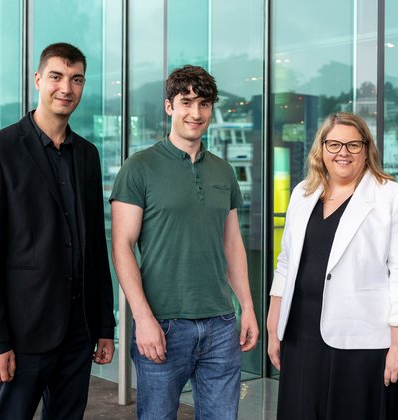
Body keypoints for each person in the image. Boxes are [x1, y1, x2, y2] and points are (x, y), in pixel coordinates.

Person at [0, 42, 115, 419]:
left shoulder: (87, 155)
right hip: (21, 335)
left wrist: (103, 325)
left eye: (76, 79)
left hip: (78, 333)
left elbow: (95, 246)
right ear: (38, 80)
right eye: (56, 77)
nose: (66, 88)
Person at [110, 64, 259, 419]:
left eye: (204, 104)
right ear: (169, 107)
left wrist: (247, 307)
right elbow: (122, 247)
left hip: (222, 324)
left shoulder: (223, 170)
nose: (196, 112)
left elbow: (232, 245)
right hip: (163, 323)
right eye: (186, 102)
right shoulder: (139, 167)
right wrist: (142, 319)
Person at [267, 112, 398, 420]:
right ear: (321, 148)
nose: (343, 152)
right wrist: (274, 328)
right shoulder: (303, 193)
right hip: (301, 334)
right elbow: (285, 264)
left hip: (361, 343)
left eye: (353, 145)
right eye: (334, 144)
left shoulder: (393, 196)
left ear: (367, 149)